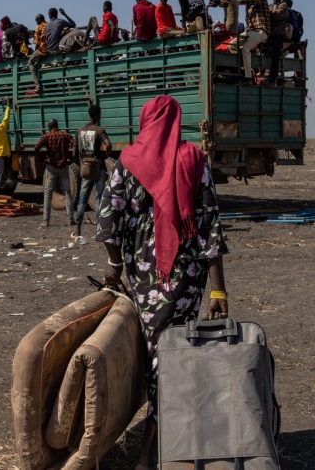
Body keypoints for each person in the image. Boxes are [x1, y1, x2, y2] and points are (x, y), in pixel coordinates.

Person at [97, 95, 228, 470]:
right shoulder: (194, 159)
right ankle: (152, 450)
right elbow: (208, 227)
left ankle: (150, 450)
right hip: (186, 277)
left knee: (158, 353)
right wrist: (217, 288)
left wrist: (115, 266)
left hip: (144, 275)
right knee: (172, 354)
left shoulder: (126, 161)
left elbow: (108, 223)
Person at [74, 104, 112, 238]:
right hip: (98, 168)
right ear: (97, 115)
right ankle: (98, 229)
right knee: (99, 199)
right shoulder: (99, 130)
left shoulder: (80, 131)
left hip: (85, 168)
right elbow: (108, 145)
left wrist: (81, 163)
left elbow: (74, 152)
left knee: (82, 200)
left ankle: (78, 230)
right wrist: (104, 157)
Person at [34, 119, 76, 227]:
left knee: (48, 193)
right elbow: (76, 143)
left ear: (50, 127)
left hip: (51, 167)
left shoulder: (46, 137)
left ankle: (46, 221)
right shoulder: (65, 135)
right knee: (67, 192)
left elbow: (36, 147)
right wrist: (72, 158)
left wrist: (43, 160)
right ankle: (70, 219)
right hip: (64, 167)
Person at [233, 0, 270, 84]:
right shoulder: (249, 7)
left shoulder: (262, 0)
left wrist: (234, 1)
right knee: (232, 44)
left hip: (260, 31)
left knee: (245, 48)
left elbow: (250, 0)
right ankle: (239, 69)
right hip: (251, 31)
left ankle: (248, 77)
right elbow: (248, 20)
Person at [265, 0, 289, 86]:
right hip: (270, 34)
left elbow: (275, 16)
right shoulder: (271, 6)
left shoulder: (283, 6)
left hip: (278, 34)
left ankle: (272, 80)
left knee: (275, 58)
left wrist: (267, 13)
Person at [28, 14, 48, 92]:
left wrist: (34, 54)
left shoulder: (39, 27)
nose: (36, 23)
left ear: (39, 20)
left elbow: (37, 43)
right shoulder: (48, 24)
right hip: (52, 48)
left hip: (43, 49)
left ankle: (37, 85)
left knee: (30, 62)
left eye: (37, 21)